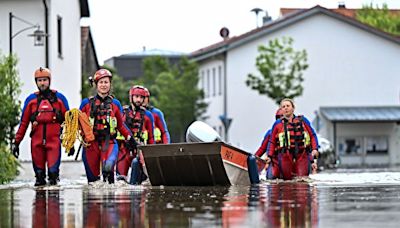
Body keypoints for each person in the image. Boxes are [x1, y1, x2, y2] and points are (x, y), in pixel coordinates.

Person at [13, 67, 71, 186]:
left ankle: (54, 202)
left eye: (45, 80)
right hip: (36, 144)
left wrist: (71, 144)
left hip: (54, 143)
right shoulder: (31, 100)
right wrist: (16, 142)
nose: (42, 83)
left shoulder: (60, 99)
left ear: (49, 81)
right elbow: (23, 123)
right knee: (39, 178)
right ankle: (39, 203)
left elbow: (70, 122)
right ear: (36, 82)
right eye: (39, 80)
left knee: (53, 175)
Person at [79, 69, 137, 184]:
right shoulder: (86, 104)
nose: (104, 85)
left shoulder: (115, 104)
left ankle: (110, 198)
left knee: (108, 168)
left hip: (109, 142)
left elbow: (121, 125)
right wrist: (71, 143)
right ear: (96, 85)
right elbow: (77, 125)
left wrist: (130, 138)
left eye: (106, 82)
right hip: (91, 145)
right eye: (101, 82)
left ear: (110, 84)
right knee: (93, 182)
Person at [266, 98, 319, 180]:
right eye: (283, 107)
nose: (286, 108)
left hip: (302, 155)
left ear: (293, 108)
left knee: (302, 180)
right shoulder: (277, 124)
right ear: (281, 110)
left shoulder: (303, 121)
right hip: (285, 156)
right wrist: (269, 156)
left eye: (288, 106)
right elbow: (272, 142)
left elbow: (312, 135)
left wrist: (315, 149)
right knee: (287, 181)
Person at [116, 85, 155, 183]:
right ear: (131, 97)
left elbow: (151, 138)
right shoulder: (122, 112)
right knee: (120, 181)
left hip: (139, 151)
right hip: (123, 150)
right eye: (136, 97)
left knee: (136, 182)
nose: (139, 100)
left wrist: (151, 155)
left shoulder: (148, 115)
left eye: (141, 97)